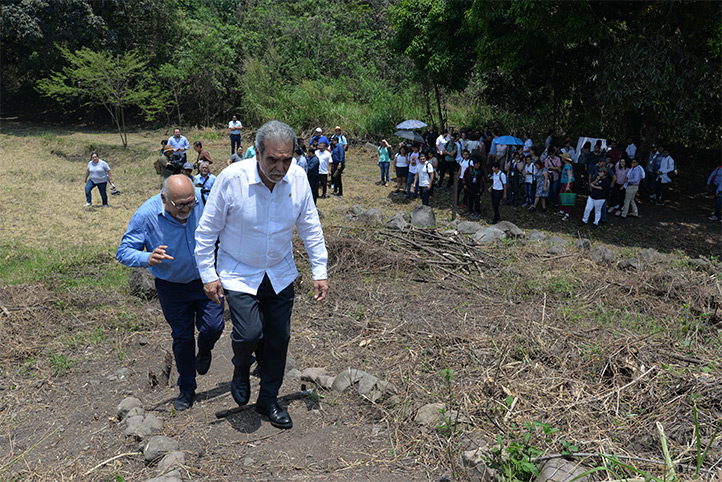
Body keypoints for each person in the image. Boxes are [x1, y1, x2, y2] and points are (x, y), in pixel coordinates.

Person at [195, 120, 328, 430]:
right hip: (239, 271)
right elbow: (206, 232)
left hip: (279, 272)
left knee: (279, 339)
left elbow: (310, 226)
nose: (280, 167)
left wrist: (319, 270)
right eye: (272, 159)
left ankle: (268, 399)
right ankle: (241, 366)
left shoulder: (297, 179)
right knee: (249, 334)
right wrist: (208, 274)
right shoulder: (231, 179)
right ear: (256, 152)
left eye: (287, 159)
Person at [117, 175, 224, 411]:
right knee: (182, 337)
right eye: (180, 205)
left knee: (214, 326)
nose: (187, 209)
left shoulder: (205, 199)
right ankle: (187, 389)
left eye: (190, 203)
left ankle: (205, 349)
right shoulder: (146, 215)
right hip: (172, 286)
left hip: (206, 280)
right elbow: (123, 251)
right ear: (164, 198)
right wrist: (147, 257)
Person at [558, 153, 575, 221]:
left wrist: (568, 186)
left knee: (566, 197)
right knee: (561, 196)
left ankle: (567, 213)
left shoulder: (568, 166)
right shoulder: (565, 165)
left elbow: (569, 176)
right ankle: (562, 210)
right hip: (564, 183)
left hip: (568, 183)